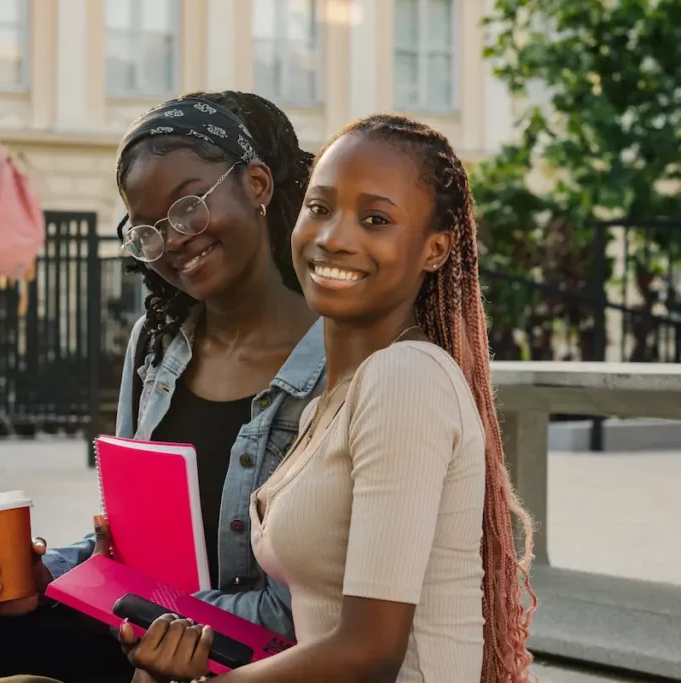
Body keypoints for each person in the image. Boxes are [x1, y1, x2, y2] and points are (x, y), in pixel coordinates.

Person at [0, 91, 325, 683]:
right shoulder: (157, 343)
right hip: (141, 627)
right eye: (147, 230)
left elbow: (314, 616)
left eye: (188, 206)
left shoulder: (336, 359)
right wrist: (50, 579)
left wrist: (157, 614)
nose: (173, 240)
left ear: (256, 184)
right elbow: (133, 544)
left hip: (249, 657)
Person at [121, 115, 538, 683]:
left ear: (435, 249)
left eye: (375, 219)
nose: (335, 237)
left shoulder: (406, 380)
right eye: (319, 208)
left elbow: (368, 654)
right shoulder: (331, 399)